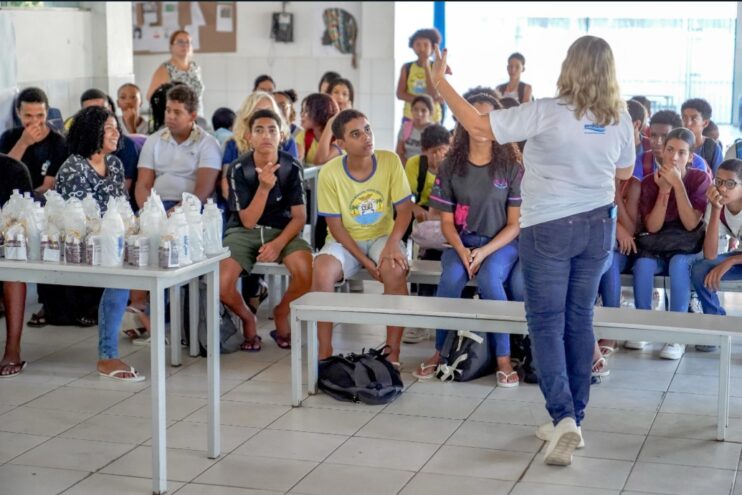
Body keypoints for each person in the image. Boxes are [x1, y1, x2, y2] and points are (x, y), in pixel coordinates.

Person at [431, 35, 635, 466]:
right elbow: (626, 170)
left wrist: (440, 84)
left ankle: (563, 417)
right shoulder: (618, 116)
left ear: (569, 67)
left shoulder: (547, 110)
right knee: (579, 319)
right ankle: (572, 419)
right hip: (598, 226)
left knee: (545, 322)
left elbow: (479, 126)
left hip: (549, 229)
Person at [411, 94, 522, 387]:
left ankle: (503, 357)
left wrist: (484, 252)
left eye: (487, 118)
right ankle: (440, 352)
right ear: (462, 122)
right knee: (450, 279)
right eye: (473, 117)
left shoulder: (511, 164)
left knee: (490, 281)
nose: (480, 125)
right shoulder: (450, 166)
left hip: (500, 244)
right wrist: (462, 250)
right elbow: (445, 222)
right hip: (460, 242)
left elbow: (514, 225)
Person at [312, 109, 413, 365]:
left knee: (395, 269)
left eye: (367, 129)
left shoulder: (390, 161)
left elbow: (404, 211)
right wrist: (366, 263)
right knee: (322, 272)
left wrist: (392, 246)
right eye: (356, 134)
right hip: (344, 241)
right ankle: (324, 355)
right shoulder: (330, 172)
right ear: (341, 144)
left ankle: (392, 354)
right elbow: (335, 227)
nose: (366, 137)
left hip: (382, 237)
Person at [54, 106, 144, 382]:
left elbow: (120, 209)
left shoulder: (115, 165)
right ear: (92, 132)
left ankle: (142, 317)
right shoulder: (74, 167)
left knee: (154, 254)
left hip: (108, 241)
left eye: (117, 126)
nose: (117, 132)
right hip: (78, 245)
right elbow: (79, 221)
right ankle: (107, 356)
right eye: (109, 128)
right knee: (119, 273)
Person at [220, 109, 313, 351]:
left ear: (281, 135)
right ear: (249, 136)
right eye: (259, 130)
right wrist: (263, 188)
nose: (266, 135)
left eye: (272, 130)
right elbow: (248, 222)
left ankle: (281, 314)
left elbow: (299, 217)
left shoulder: (291, 166)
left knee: (306, 272)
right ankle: (248, 318)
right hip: (243, 231)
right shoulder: (238, 169)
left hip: (283, 230)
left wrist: (278, 244)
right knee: (220, 283)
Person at [632, 128, 709, 360]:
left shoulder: (699, 178)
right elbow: (653, 227)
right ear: (662, 152)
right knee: (643, 266)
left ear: (691, 157)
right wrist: (664, 191)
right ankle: (643, 327)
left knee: (678, 264)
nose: (674, 157)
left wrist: (678, 185)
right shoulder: (649, 182)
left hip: (687, 244)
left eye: (682, 152)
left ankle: (677, 335)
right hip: (657, 242)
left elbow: (690, 224)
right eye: (670, 150)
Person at [135, 84, 221, 212]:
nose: (170, 116)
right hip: (156, 207)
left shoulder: (208, 143)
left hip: (192, 209)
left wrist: (175, 213)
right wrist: (151, 212)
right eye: (168, 110)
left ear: (192, 116)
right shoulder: (153, 140)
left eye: (177, 112)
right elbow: (142, 186)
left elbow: (203, 191)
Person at [691, 159, 742, 345]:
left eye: (730, 183)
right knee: (699, 269)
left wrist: (730, 262)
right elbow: (710, 255)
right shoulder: (716, 205)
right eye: (718, 182)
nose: (722, 189)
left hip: (738, 259)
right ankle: (716, 324)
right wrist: (715, 209)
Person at [0, 154, 33, 377]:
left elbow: (23, 217)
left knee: (13, 269)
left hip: (7, 244)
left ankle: (12, 349)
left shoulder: (12, 169)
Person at [0, 87, 67, 196]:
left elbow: (48, 186)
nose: (35, 121)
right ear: (18, 113)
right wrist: (23, 143)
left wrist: (27, 200)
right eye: (28, 116)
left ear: (47, 112)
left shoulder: (58, 143)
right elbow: (3, 174)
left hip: (39, 203)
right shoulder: (8, 137)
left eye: (40, 115)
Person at [146, 30, 204, 114]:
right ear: (171, 46)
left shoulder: (195, 67)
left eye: (188, 42)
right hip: (177, 121)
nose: (185, 45)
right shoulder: (165, 69)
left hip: (197, 117)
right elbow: (151, 97)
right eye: (180, 42)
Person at [396, 28, 444, 124]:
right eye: (418, 44)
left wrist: (426, 67)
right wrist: (422, 102)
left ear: (433, 47)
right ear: (412, 46)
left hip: (433, 119)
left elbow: (435, 95)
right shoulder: (407, 67)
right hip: (410, 117)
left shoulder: (438, 67)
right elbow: (400, 94)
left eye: (426, 45)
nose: (422, 48)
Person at [296, 93, 341, 166]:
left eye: (306, 111)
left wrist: (330, 125)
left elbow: (319, 161)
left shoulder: (339, 138)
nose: (301, 114)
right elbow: (296, 160)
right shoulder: (304, 136)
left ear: (321, 112)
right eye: (302, 110)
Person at [681, 98, 723, 175]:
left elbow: (718, 179)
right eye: (684, 118)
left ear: (705, 123)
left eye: (693, 119)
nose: (688, 123)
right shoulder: (673, 144)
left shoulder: (712, 148)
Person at [395, 94, 433, 165]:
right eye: (416, 109)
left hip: (428, 169)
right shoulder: (405, 128)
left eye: (423, 110)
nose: (419, 114)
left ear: (430, 113)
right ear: (411, 111)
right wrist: (410, 168)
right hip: (407, 167)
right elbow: (399, 153)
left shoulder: (435, 130)